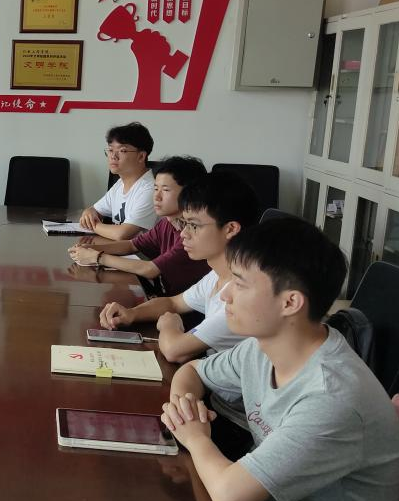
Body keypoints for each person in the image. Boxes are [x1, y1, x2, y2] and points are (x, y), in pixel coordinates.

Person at [160, 218, 399, 501]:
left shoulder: (332, 398)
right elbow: (192, 371)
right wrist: (185, 407)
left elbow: (229, 495)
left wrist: (195, 435)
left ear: (290, 303)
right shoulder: (262, 346)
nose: (225, 294)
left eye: (239, 283)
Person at [97, 172, 258, 363]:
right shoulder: (217, 275)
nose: (183, 234)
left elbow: (175, 350)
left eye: (194, 226)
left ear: (230, 229)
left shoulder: (241, 294)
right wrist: (131, 313)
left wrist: (169, 325)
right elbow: (173, 303)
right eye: (185, 224)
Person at [69, 155, 209, 295]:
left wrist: (97, 257)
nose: (157, 197)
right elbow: (132, 245)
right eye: (155, 189)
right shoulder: (167, 223)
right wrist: (91, 248)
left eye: (165, 190)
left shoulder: (192, 234)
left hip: (184, 304)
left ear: (189, 194)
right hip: (169, 298)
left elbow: (150, 269)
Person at [78, 122, 158, 240]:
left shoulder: (151, 189)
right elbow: (93, 210)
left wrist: (92, 224)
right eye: (110, 150)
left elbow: (122, 234)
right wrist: (88, 213)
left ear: (141, 156)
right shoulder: (120, 184)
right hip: (121, 249)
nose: (113, 156)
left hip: (145, 252)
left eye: (122, 150)